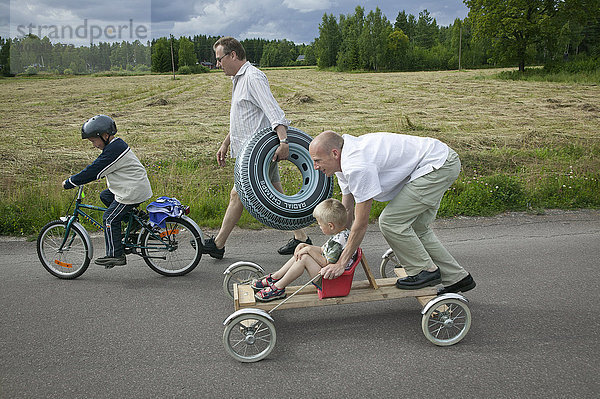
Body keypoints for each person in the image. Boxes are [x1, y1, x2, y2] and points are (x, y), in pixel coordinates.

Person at [309, 130, 476, 295]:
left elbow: (360, 224)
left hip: (438, 165)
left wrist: (341, 263)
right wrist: (338, 244)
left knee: (391, 222)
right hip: (439, 160)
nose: (316, 167)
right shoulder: (343, 163)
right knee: (418, 228)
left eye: (317, 161)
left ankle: (424, 271)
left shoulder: (357, 166)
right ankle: (457, 277)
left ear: (335, 153)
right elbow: (346, 210)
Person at [203, 36, 310, 259]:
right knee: (276, 192)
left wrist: (283, 142)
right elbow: (244, 118)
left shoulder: (253, 77)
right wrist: (225, 143)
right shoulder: (238, 80)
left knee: (237, 194)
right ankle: (301, 238)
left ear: (233, 55)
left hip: (258, 155)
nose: (217, 64)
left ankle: (218, 244)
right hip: (248, 152)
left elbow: (274, 112)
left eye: (219, 59)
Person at [62, 115, 152, 268]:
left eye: (93, 141)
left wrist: (71, 182)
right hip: (132, 186)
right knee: (105, 195)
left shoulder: (114, 150)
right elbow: (98, 166)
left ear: (104, 136)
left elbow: (95, 170)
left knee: (109, 218)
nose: (93, 145)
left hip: (132, 191)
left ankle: (116, 255)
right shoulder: (115, 146)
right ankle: (136, 220)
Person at [252, 198, 355, 302]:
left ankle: (278, 288)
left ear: (330, 226)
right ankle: (276, 277)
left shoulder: (337, 243)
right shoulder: (342, 234)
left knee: (304, 258)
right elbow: (323, 250)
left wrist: (309, 250)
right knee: (303, 252)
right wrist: (305, 246)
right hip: (331, 279)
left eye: (320, 225)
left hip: (332, 283)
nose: (319, 227)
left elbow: (327, 265)